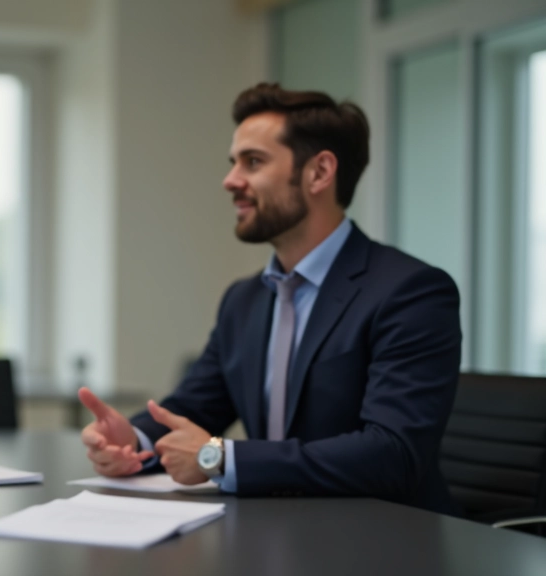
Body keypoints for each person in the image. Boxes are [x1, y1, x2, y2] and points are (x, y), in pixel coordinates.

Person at [79, 83, 461, 515]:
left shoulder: (410, 292)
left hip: (384, 540)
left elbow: (393, 454)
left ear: (319, 173)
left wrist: (219, 458)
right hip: (276, 531)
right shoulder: (243, 300)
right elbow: (193, 406)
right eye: (233, 163)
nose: (230, 180)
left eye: (253, 162)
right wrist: (132, 440)